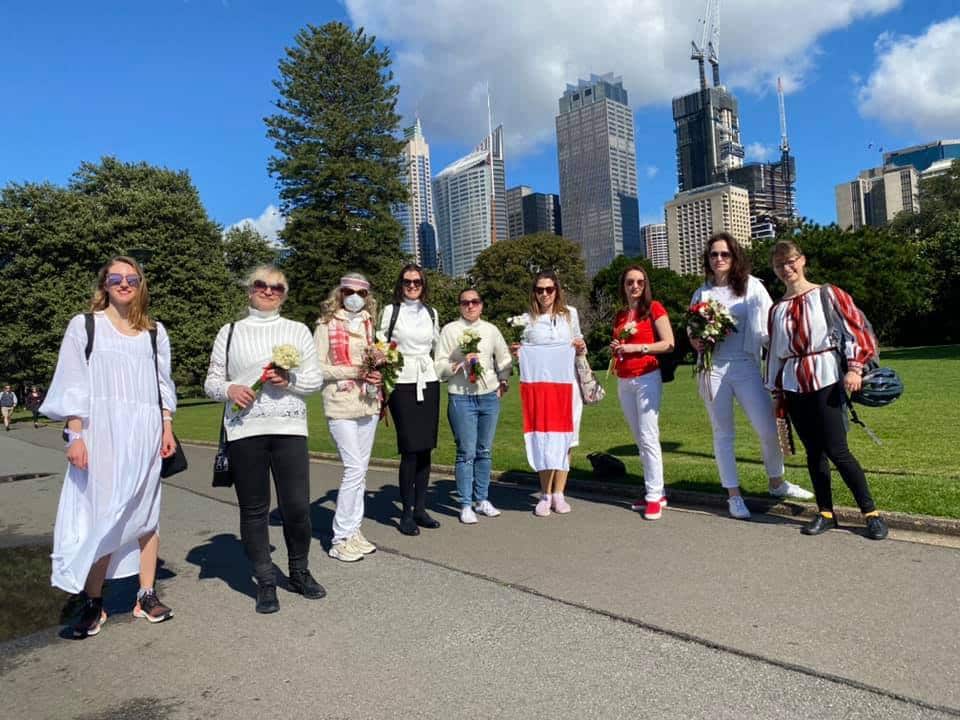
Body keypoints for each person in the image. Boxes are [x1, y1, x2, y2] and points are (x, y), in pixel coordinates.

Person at [40, 256, 178, 637]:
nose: (124, 283)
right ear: (104, 284)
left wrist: (167, 426)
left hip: (146, 431)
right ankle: (93, 601)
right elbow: (73, 382)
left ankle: (145, 594)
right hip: (101, 432)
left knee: (146, 512)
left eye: (132, 278)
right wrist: (76, 435)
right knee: (102, 513)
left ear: (140, 284)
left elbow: (162, 385)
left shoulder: (154, 333)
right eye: (116, 278)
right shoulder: (85, 326)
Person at [204, 265, 326, 613]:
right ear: (250, 290)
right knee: (254, 509)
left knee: (297, 507)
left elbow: (315, 380)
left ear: (284, 294)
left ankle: (299, 571)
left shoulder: (297, 330)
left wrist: (289, 381)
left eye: (277, 287)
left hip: (289, 429)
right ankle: (265, 581)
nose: (269, 291)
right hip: (245, 430)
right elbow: (212, 381)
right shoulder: (230, 332)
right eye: (262, 285)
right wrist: (231, 389)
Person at [766, 240, 889, 540]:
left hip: (826, 378)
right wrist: (776, 392)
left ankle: (871, 513)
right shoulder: (777, 309)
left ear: (802, 260)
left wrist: (855, 368)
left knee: (837, 449)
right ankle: (825, 513)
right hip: (793, 384)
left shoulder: (828, 294)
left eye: (791, 261)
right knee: (814, 452)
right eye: (780, 264)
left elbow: (857, 329)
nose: (787, 268)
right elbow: (775, 354)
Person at [689, 233, 814, 520]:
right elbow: (692, 328)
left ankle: (777, 482)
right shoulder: (702, 292)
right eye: (713, 254)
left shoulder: (752, 286)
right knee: (723, 433)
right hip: (712, 368)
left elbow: (773, 322)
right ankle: (733, 495)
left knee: (768, 429)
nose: (719, 259)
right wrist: (696, 340)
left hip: (746, 365)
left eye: (725, 254)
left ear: (735, 257)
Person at [314, 274, 381, 562]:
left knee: (361, 471)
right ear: (340, 293)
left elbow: (373, 361)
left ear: (367, 297)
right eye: (349, 291)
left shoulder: (369, 324)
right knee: (353, 468)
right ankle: (339, 538)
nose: (354, 297)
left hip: (368, 402)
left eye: (361, 293)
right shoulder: (325, 325)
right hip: (340, 403)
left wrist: (378, 371)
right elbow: (317, 368)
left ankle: (354, 530)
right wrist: (354, 371)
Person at [436, 287, 512, 524]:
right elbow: (438, 366)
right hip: (461, 397)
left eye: (475, 302)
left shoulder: (490, 330)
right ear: (460, 305)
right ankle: (466, 504)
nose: (470, 306)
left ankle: (482, 499)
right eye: (465, 302)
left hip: (488, 396)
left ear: (481, 305)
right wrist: (455, 366)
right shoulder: (450, 330)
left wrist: (503, 379)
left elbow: (504, 358)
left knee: (484, 451)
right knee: (466, 452)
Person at [514, 270, 587, 516]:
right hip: (541, 388)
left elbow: (580, 345)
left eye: (549, 289)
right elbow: (525, 353)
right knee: (543, 436)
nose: (544, 294)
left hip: (567, 385)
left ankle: (559, 493)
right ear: (534, 292)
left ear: (557, 290)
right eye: (539, 290)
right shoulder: (527, 320)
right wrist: (519, 353)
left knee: (567, 437)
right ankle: (545, 493)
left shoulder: (570, 314)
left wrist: (580, 347)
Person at [378, 264, 441, 536]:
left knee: (426, 448)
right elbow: (381, 343)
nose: (412, 286)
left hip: (428, 379)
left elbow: (438, 346)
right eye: (407, 282)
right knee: (410, 448)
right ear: (400, 284)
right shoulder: (391, 311)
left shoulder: (431, 313)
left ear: (423, 284)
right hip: (401, 381)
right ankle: (405, 513)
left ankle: (420, 509)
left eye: (417, 282)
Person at [609, 265, 674, 520]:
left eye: (639, 282)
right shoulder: (620, 315)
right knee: (639, 438)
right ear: (623, 286)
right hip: (624, 379)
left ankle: (654, 496)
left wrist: (638, 348)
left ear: (645, 285)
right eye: (629, 282)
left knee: (648, 436)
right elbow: (622, 346)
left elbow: (668, 343)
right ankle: (655, 490)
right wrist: (618, 347)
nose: (634, 286)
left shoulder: (653, 308)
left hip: (647, 377)